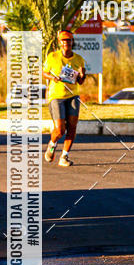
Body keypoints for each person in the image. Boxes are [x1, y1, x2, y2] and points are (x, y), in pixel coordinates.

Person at [42, 29, 86, 167]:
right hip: (56, 96)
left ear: (72, 42)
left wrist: (82, 75)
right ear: (60, 42)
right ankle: (52, 144)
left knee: (72, 127)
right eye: (64, 40)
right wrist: (52, 78)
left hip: (72, 95)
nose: (67, 43)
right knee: (60, 129)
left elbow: (80, 81)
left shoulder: (78, 59)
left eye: (69, 40)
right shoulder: (53, 57)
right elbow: (44, 72)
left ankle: (64, 156)